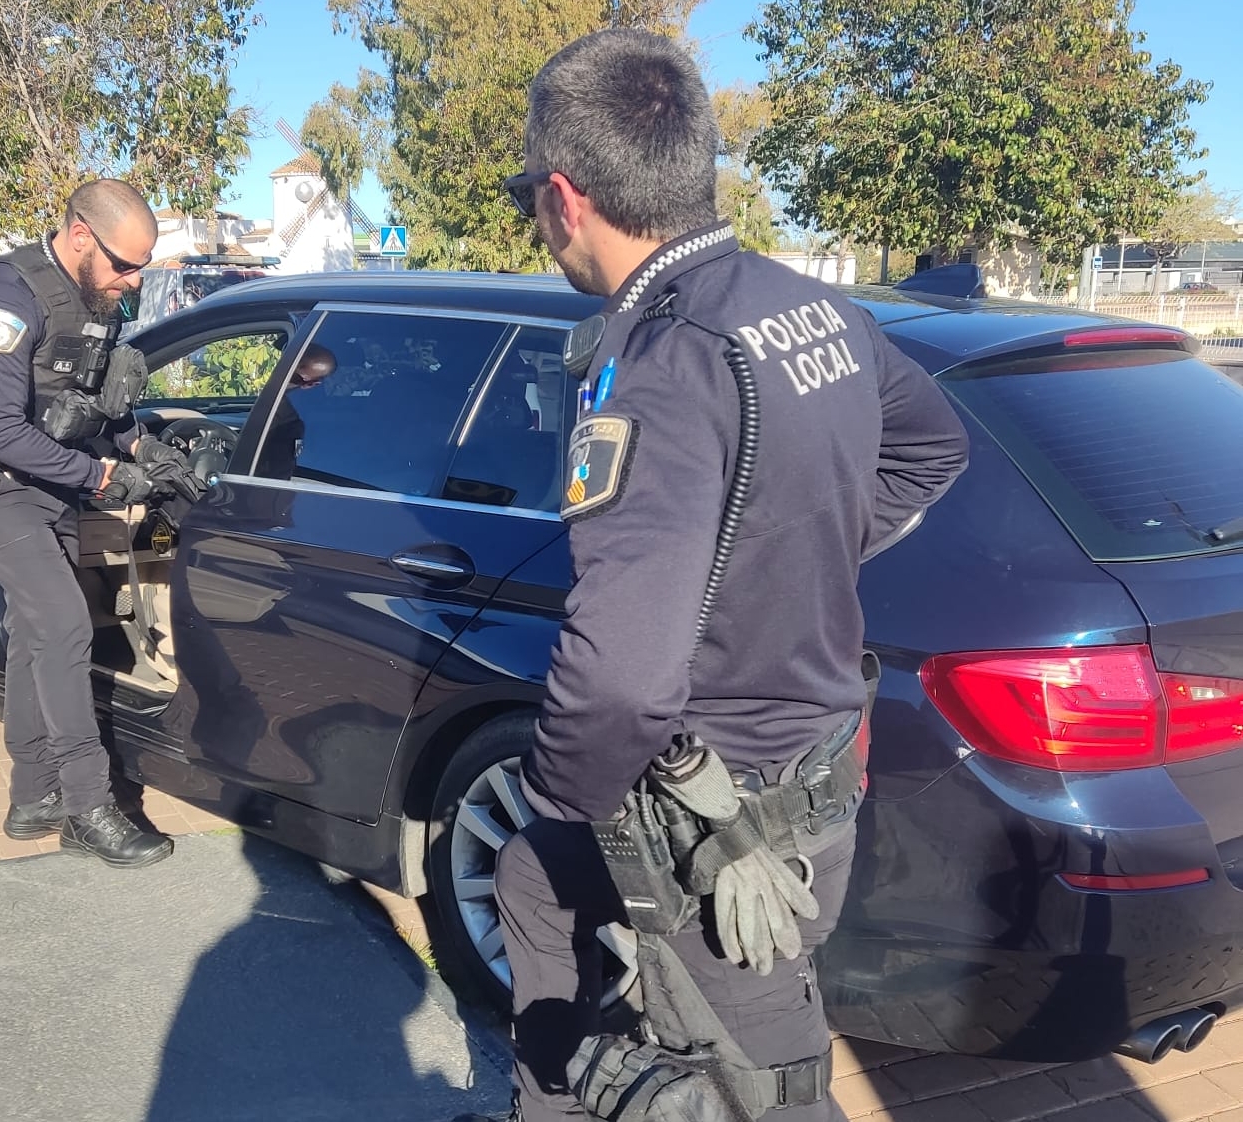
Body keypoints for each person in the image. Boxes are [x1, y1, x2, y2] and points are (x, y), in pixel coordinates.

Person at [456, 30, 969, 1122]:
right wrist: (789, 554)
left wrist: (556, 793)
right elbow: (932, 448)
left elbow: (617, 687)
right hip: (813, 773)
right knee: (531, 884)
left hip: (725, 822)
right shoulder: (812, 306)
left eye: (529, 201)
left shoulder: (660, 364)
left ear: (563, 195)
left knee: (758, 1090)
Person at [0, 178, 193, 869]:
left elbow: (97, 401)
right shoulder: (5, 296)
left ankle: (32, 794)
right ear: (81, 235)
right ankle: (86, 806)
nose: (131, 280)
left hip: (58, 490)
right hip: (2, 490)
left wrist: (143, 447)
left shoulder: (94, 296)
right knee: (69, 624)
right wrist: (104, 477)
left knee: (36, 634)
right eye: (122, 264)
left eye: (140, 265)